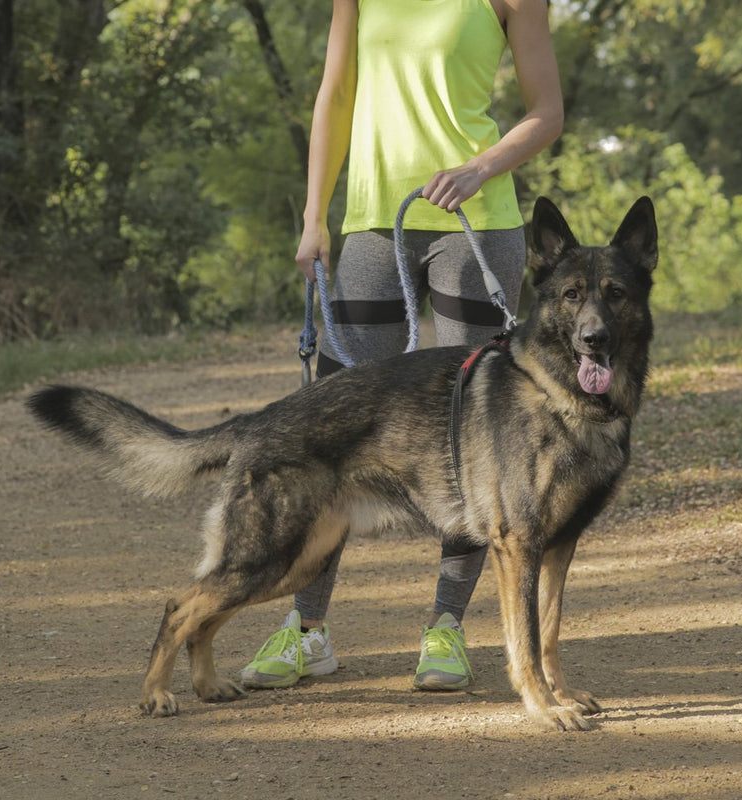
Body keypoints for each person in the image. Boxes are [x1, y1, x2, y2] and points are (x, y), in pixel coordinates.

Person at [240, 0, 564, 692]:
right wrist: (313, 217)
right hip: (369, 228)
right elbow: (335, 93)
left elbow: (547, 113)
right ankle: (306, 629)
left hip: (476, 225)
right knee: (328, 427)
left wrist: (480, 168)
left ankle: (446, 627)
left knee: (475, 436)